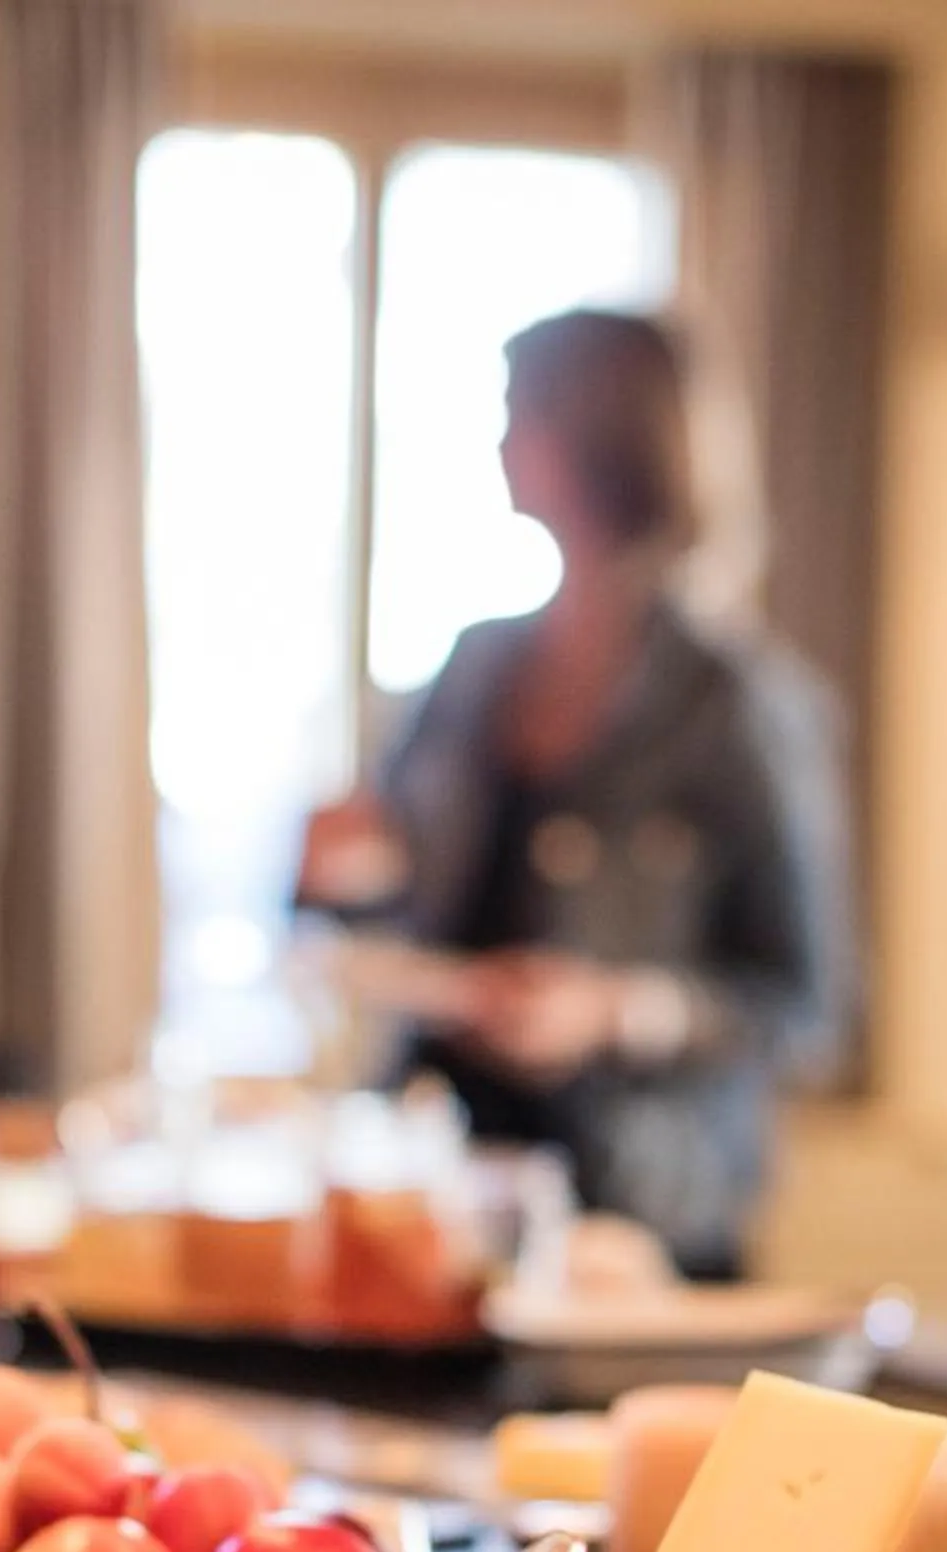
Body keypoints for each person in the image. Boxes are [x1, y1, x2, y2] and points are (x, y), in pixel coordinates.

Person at [299, 309, 852, 1280]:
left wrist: (611, 1010)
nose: (500, 442)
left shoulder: (738, 706)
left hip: (638, 1226)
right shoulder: (478, 666)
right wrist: (338, 871)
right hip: (443, 1204)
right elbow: (384, 902)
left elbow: (809, 1007)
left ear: (592, 435)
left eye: (519, 412)